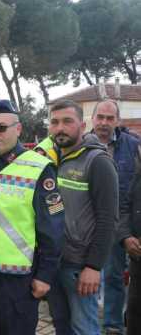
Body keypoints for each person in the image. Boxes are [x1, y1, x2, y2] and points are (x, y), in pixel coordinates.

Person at [0, 100, 64, 335]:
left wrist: (45, 276)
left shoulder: (38, 167)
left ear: (18, 129)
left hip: (17, 279)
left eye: (1, 127)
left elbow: (53, 229)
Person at [46, 100, 119, 335]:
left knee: (84, 328)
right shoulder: (50, 158)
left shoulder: (97, 162)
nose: (60, 128)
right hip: (53, 260)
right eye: (55, 122)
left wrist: (94, 266)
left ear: (83, 124)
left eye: (67, 121)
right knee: (61, 325)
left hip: (80, 265)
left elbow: (109, 220)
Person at [90, 99, 140, 335]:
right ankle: (85, 323)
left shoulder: (133, 146)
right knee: (82, 275)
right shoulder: (81, 144)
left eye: (110, 118)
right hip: (84, 220)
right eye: (100, 117)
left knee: (113, 276)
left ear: (117, 121)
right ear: (92, 118)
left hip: (116, 223)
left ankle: (112, 326)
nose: (104, 122)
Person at [119, 158, 141, 334]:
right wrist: (126, 236)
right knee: (135, 311)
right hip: (138, 259)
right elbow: (126, 206)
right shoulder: (139, 175)